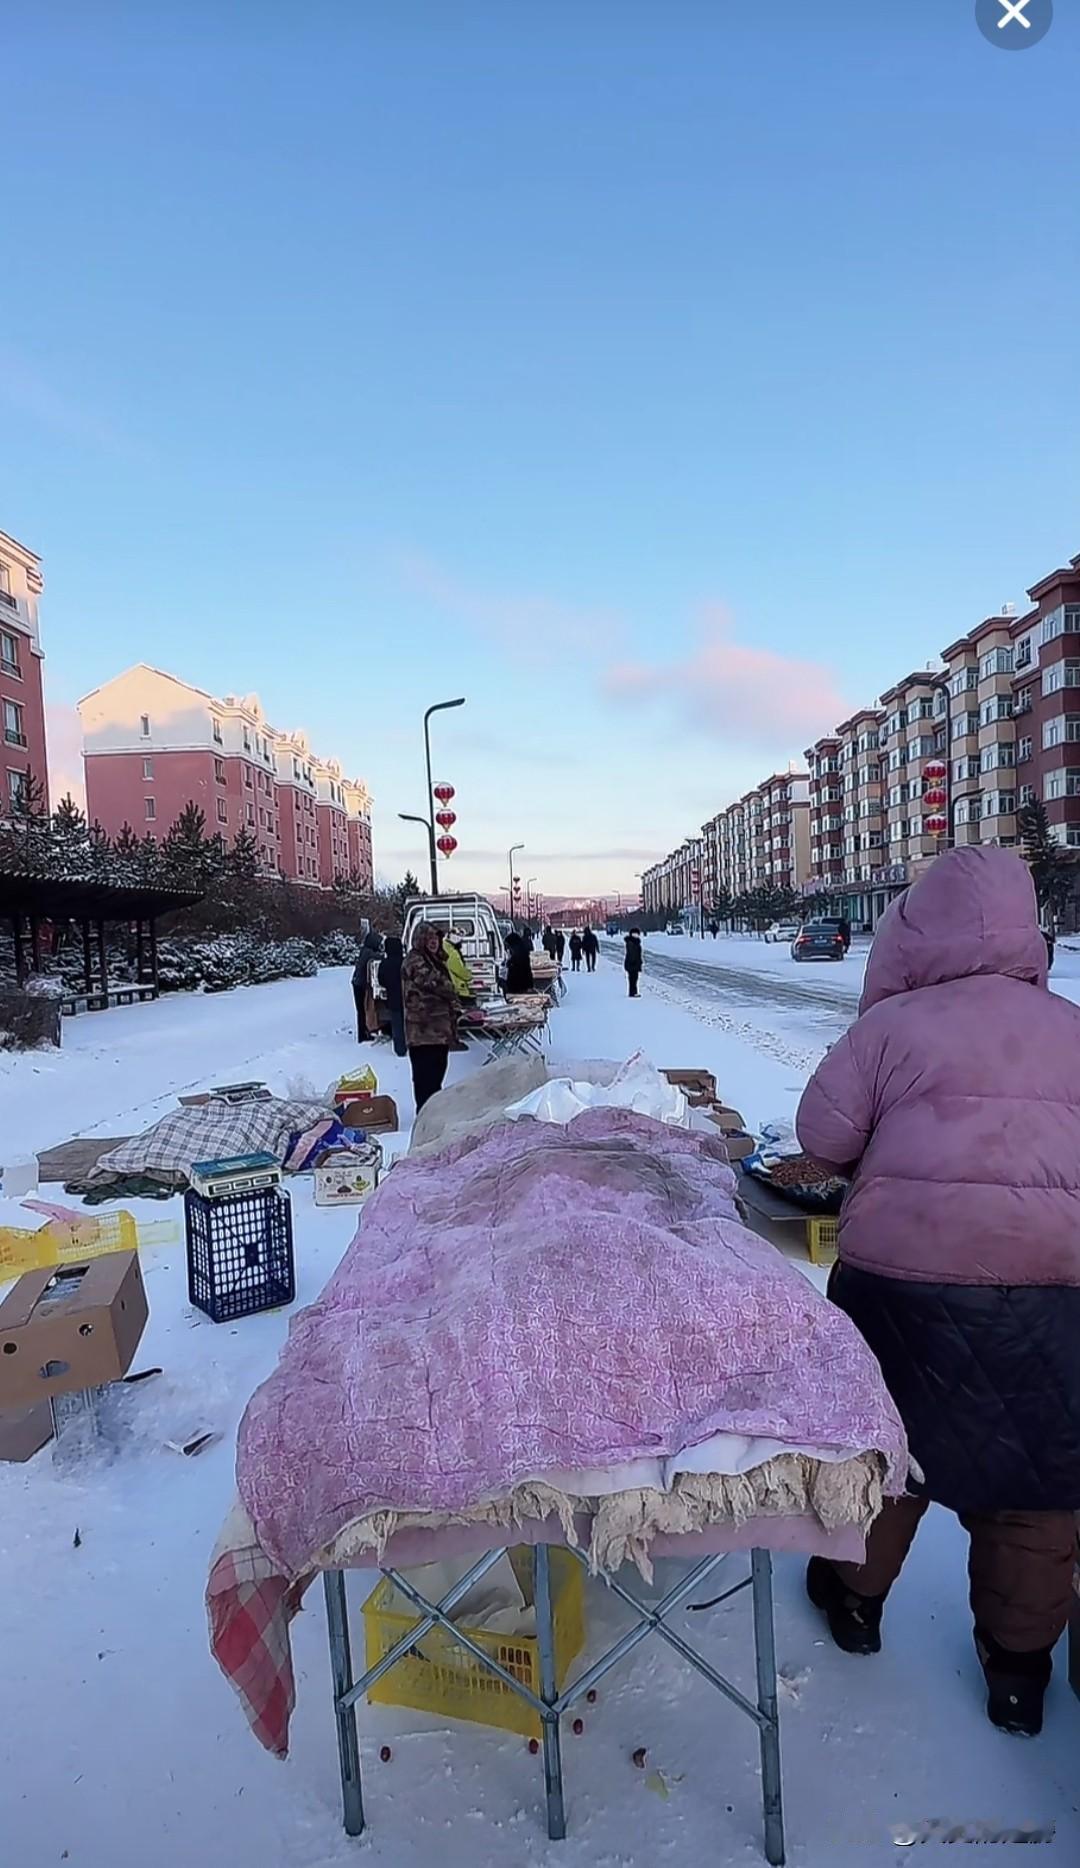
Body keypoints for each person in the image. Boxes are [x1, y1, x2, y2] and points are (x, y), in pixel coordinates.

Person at [796, 847, 1080, 1737]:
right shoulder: (1072, 1025)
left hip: (898, 1287)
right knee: (1038, 1489)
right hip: (1058, 1292)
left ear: (913, 932)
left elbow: (819, 1135)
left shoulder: (892, 1030)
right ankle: (1018, 1673)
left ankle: (853, 1605)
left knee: (890, 1459)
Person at [401, 922, 459, 1112]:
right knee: (425, 1081)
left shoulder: (436, 960)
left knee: (436, 1079)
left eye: (436, 938)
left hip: (439, 1032)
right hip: (422, 1032)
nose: (434, 942)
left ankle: (434, 1115)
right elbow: (434, 982)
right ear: (421, 940)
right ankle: (425, 1117)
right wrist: (451, 991)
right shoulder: (415, 960)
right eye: (429, 939)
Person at [351, 925, 383, 1042]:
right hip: (360, 985)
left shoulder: (364, 950)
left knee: (361, 1010)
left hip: (357, 983)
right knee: (362, 1010)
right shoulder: (368, 952)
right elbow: (379, 957)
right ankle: (363, 1035)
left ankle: (363, 1032)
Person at [376, 935, 406, 1057]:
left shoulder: (385, 963)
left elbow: (381, 980)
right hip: (409, 996)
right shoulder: (405, 962)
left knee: (397, 1023)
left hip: (393, 996)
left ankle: (400, 1049)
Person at [503, 930, 535, 995]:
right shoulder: (520, 951)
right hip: (521, 986)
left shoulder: (519, 955)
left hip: (518, 987)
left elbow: (525, 971)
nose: (508, 949)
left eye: (509, 946)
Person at [624, 928, 643, 997]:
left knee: (634, 978)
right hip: (632, 964)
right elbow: (632, 954)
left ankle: (633, 992)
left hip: (634, 964)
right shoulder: (631, 943)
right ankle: (633, 992)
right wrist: (634, 962)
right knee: (633, 978)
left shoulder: (635, 942)